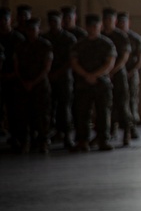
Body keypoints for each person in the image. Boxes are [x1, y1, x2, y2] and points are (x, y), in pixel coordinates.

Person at [70, 13, 117, 152]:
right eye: (90, 26)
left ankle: (103, 139)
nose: (92, 29)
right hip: (83, 83)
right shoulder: (79, 44)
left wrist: (94, 75)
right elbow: (74, 62)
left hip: (101, 84)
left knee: (103, 113)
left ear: (100, 26)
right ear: (86, 27)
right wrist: (86, 75)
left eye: (95, 26)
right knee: (82, 113)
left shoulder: (106, 43)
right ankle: (82, 141)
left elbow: (109, 64)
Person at [13, 18, 54, 153]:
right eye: (29, 30)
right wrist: (24, 82)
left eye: (34, 29)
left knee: (42, 115)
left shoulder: (45, 45)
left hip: (40, 85)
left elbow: (46, 67)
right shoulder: (20, 45)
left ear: (39, 30)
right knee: (23, 115)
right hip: (23, 85)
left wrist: (34, 82)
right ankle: (26, 141)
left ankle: (43, 141)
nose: (31, 32)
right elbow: (17, 66)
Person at [43, 10, 78, 149]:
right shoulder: (45, 38)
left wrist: (58, 72)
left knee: (65, 108)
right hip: (48, 78)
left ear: (61, 22)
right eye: (51, 22)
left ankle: (67, 135)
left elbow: (72, 60)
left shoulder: (69, 38)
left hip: (64, 78)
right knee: (48, 108)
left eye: (56, 22)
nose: (53, 24)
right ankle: (50, 134)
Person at [101, 8, 132, 146]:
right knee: (104, 106)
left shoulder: (121, 36)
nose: (107, 22)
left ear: (115, 21)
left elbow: (124, 57)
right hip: (103, 76)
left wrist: (112, 71)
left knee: (122, 105)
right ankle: (105, 134)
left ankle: (126, 132)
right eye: (105, 19)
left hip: (118, 75)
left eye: (110, 19)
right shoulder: (101, 36)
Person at [116, 12, 141, 140]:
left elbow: (140, 59)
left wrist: (131, 72)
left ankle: (132, 127)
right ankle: (113, 127)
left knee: (131, 101)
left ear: (129, 23)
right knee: (116, 101)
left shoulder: (136, 39)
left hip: (131, 74)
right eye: (120, 22)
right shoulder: (114, 38)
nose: (122, 25)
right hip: (116, 74)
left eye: (124, 22)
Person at [1, 7, 26, 150]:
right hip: (1, 78)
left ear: (10, 20)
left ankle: (16, 137)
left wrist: (15, 75)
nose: (3, 23)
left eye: (5, 19)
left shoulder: (18, 38)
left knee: (15, 110)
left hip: (15, 79)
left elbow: (23, 60)